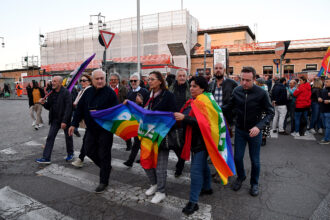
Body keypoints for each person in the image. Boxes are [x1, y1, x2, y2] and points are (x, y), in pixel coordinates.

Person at [222, 67, 274, 197]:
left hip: (254, 132)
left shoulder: (261, 93)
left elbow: (270, 112)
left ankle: (254, 183)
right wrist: (214, 109)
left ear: (254, 79)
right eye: (242, 80)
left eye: (247, 80)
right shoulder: (237, 90)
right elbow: (229, 106)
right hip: (240, 130)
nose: (244, 83)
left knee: (255, 160)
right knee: (238, 157)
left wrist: (259, 126)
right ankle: (241, 177)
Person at [69, 69, 118, 193]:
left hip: (105, 129)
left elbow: (115, 113)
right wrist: (73, 124)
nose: (100, 81)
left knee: (104, 154)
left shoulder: (110, 93)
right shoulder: (88, 92)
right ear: (92, 80)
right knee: (89, 150)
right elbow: (79, 109)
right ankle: (105, 168)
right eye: (97, 79)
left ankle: (103, 181)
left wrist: (100, 113)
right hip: (91, 128)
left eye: (102, 78)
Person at [174, 76, 212, 215]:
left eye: (195, 86)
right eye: (191, 86)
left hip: (201, 142)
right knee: (203, 167)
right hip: (193, 141)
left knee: (195, 173)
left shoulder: (204, 102)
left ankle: (193, 202)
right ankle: (207, 187)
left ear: (202, 88)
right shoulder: (192, 101)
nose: (191, 88)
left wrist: (185, 118)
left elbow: (204, 123)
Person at [143, 71, 176, 204]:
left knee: (160, 166)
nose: (149, 81)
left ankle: (161, 191)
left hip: (162, 135)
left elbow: (172, 114)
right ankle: (154, 184)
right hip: (148, 135)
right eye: (148, 79)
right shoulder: (148, 95)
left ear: (160, 81)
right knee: (146, 162)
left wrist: (157, 116)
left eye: (152, 79)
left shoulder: (168, 95)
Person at [36, 76, 74, 164]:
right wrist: (43, 103)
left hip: (65, 119)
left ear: (60, 83)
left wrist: (64, 121)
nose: (52, 83)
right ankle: (46, 158)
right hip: (55, 120)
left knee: (68, 137)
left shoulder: (66, 93)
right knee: (50, 137)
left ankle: (70, 154)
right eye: (52, 81)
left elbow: (69, 108)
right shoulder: (51, 93)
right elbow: (49, 106)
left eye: (55, 81)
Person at [168, 69, 191, 177]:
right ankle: (181, 161)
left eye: (183, 76)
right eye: (180, 76)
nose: (182, 77)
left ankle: (180, 165)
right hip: (172, 120)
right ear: (176, 77)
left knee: (182, 145)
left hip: (184, 120)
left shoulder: (190, 88)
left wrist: (185, 116)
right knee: (174, 144)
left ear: (186, 77)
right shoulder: (171, 88)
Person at [123, 72, 149, 168]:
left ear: (139, 81)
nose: (133, 82)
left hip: (142, 120)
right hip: (133, 120)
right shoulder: (129, 92)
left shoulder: (145, 92)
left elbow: (148, 107)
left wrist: (141, 102)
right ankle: (144, 158)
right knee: (139, 141)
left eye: (135, 81)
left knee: (138, 141)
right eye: (131, 81)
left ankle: (130, 160)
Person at [71, 74, 92, 168]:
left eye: (84, 80)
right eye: (81, 80)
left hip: (91, 120)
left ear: (89, 81)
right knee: (88, 140)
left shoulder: (90, 91)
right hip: (85, 119)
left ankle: (81, 159)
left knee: (86, 140)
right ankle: (84, 157)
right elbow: (76, 103)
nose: (82, 82)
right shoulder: (81, 91)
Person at [109, 73, 131, 151]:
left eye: (114, 80)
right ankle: (108, 145)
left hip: (121, 112)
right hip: (110, 113)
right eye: (111, 80)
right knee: (109, 130)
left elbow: (128, 99)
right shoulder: (107, 89)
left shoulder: (124, 89)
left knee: (124, 130)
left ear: (118, 80)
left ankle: (129, 144)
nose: (113, 81)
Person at [255, 78, 271, 146]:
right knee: (264, 124)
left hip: (260, 109)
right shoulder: (266, 88)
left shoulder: (258, 90)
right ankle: (263, 138)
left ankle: (261, 138)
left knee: (258, 123)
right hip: (265, 109)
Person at [318, 77, 330, 144]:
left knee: (328, 126)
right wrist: (319, 98)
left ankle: (327, 139)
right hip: (323, 110)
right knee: (325, 126)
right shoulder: (323, 89)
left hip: (328, 111)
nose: (325, 83)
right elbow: (319, 96)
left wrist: (329, 101)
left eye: (327, 82)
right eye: (325, 82)